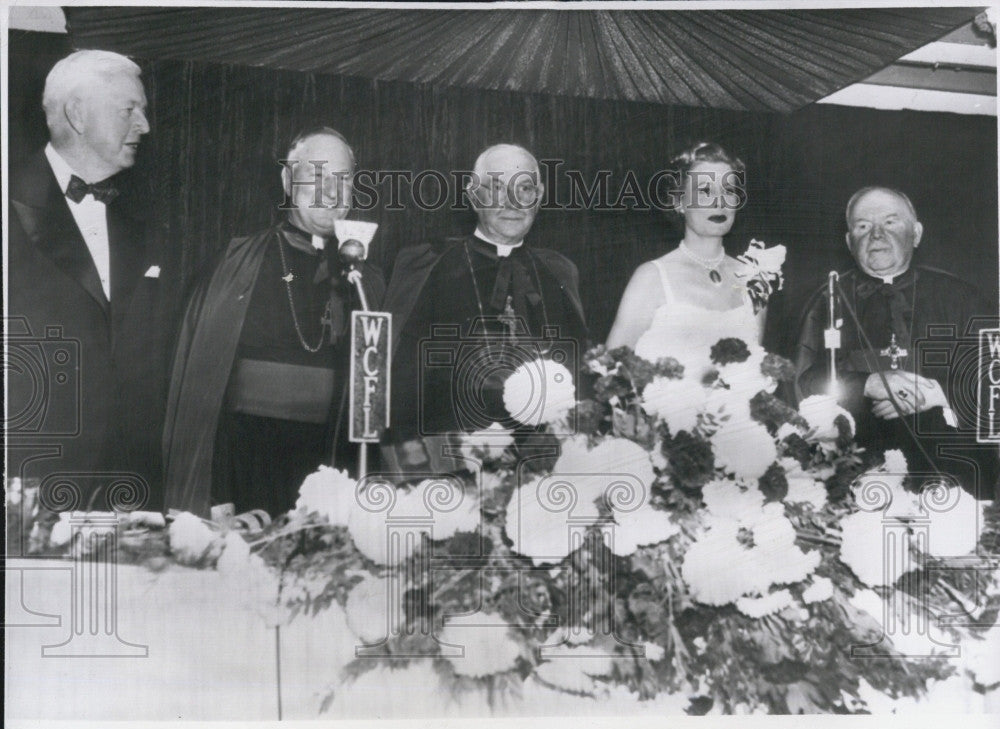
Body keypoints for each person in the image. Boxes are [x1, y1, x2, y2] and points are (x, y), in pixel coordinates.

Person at [162, 127, 385, 517]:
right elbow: (201, 394)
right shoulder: (237, 264)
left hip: (335, 474)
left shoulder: (369, 279)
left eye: (343, 180)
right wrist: (216, 495)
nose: (332, 193)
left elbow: (375, 404)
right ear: (287, 180)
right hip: (249, 475)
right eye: (317, 177)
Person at [8, 50, 171, 510]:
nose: (144, 125)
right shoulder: (9, 205)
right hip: (29, 492)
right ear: (77, 115)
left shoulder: (143, 222)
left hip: (125, 494)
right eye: (129, 110)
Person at [381, 143, 588, 472]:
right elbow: (398, 383)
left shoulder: (559, 272)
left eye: (525, 187)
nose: (513, 202)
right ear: (473, 195)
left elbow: (581, 376)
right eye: (496, 187)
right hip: (448, 464)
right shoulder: (428, 264)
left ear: (540, 194)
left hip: (544, 467)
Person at [795, 186, 997, 497]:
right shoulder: (826, 301)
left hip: (954, 474)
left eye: (890, 222)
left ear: (915, 233)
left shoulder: (963, 299)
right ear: (849, 242)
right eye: (862, 226)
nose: (876, 235)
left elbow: (994, 389)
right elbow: (799, 382)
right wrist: (867, 383)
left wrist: (937, 395)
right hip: (852, 472)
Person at [606, 142, 762, 377]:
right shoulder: (651, 277)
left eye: (729, 190)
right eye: (705, 191)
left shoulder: (753, 277)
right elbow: (610, 370)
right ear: (679, 202)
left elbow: (756, 370)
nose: (719, 201)